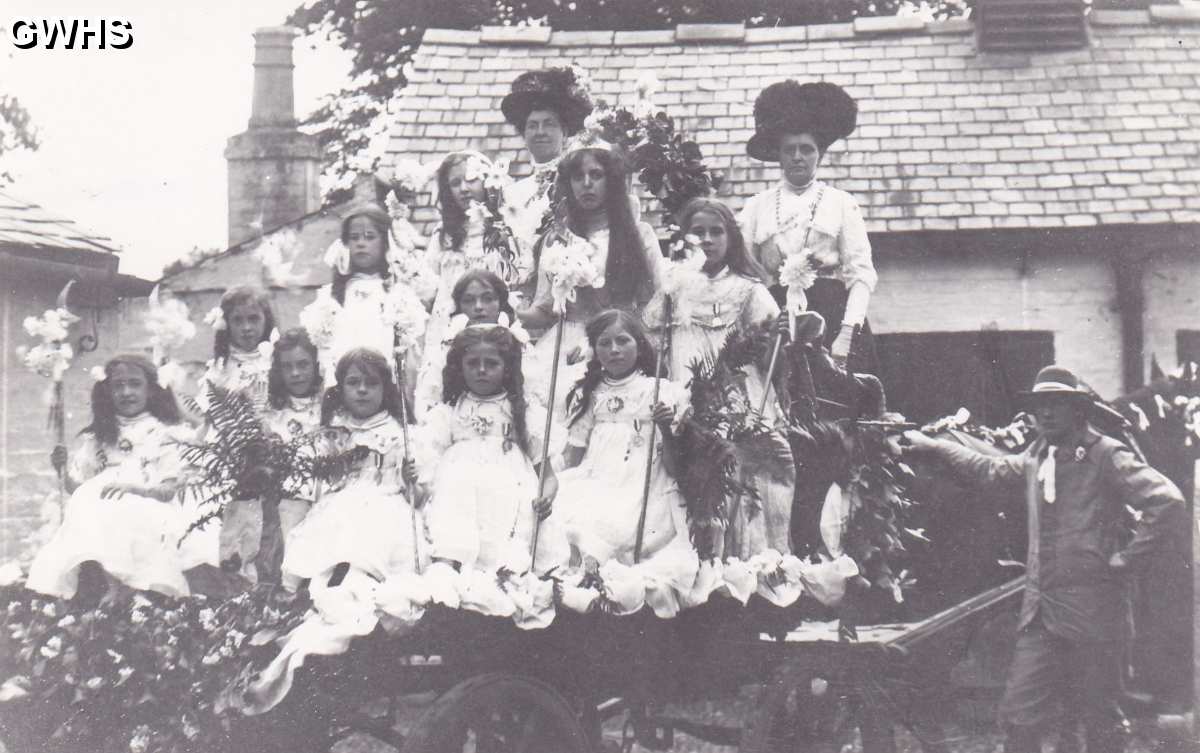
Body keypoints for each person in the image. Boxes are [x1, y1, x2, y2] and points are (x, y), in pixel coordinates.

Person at [902, 365, 1184, 753]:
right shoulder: (1037, 455)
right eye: (1040, 405)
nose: (1046, 413)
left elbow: (1166, 500)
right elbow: (991, 468)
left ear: (1077, 410)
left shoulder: (1104, 455)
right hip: (1041, 617)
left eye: (1057, 404)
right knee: (1019, 719)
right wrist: (936, 446)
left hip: (1095, 615)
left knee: (1098, 720)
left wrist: (1128, 558)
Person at [647, 197, 794, 558]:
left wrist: (778, 335)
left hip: (737, 392)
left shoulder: (748, 290)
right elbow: (653, 342)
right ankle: (697, 559)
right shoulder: (672, 287)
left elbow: (770, 351)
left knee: (744, 470)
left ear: (732, 239)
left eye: (717, 232)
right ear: (684, 239)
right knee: (691, 466)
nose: (708, 240)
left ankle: (752, 561)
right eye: (698, 232)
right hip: (687, 387)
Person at [27, 354, 219, 600]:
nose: (126, 391)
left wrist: (134, 490)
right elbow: (79, 489)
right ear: (108, 391)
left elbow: (168, 490)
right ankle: (111, 589)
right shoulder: (99, 436)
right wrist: (62, 470)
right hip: (103, 510)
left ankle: (131, 591)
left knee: (127, 510)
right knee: (90, 506)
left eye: (135, 384)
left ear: (151, 389)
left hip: (151, 507)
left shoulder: (166, 433)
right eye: (118, 385)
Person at [554, 310, 698, 618]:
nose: (614, 350)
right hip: (598, 478)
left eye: (623, 341)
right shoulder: (588, 394)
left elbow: (675, 463)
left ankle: (617, 596)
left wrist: (664, 426)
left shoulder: (659, 390)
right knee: (572, 515)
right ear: (594, 348)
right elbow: (574, 452)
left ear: (640, 345)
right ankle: (587, 591)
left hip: (642, 482)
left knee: (619, 528)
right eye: (604, 343)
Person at [517, 138, 665, 435]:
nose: (586, 184)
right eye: (578, 177)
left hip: (619, 342)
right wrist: (509, 310)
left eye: (596, 175)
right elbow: (546, 309)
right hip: (565, 343)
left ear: (611, 181)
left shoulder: (639, 236)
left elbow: (656, 301)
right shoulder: (557, 239)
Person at [409, 325, 568, 581]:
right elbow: (429, 462)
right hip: (459, 494)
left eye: (491, 363)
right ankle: (453, 569)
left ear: (507, 367)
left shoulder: (523, 414)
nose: (481, 370)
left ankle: (505, 574)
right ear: (460, 367)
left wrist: (546, 497)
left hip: (508, 492)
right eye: (472, 363)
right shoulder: (450, 412)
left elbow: (547, 476)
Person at [738, 80, 877, 372]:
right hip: (775, 318)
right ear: (779, 154)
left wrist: (848, 332)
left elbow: (861, 274)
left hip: (833, 315)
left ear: (820, 154)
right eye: (790, 149)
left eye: (806, 149)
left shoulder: (841, 203)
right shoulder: (756, 207)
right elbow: (744, 275)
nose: (798, 156)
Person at [282, 348, 426, 591]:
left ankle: (354, 580)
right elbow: (321, 477)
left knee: (368, 538)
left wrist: (408, 481)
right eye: (353, 383)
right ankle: (326, 582)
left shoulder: (399, 433)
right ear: (341, 389)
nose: (362, 390)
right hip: (340, 503)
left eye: (372, 383)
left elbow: (418, 498)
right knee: (333, 531)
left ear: (385, 389)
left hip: (385, 504)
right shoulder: (335, 432)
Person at [220, 328, 325, 588]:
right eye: (287, 367)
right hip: (279, 487)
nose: (296, 374)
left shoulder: (326, 404)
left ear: (316, 364)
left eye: (303, 365)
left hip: (320, 481)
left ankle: (298, 580)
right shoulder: (272, 408)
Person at [299, 202, 427, 396]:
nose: (361, 243)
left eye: (369, 237)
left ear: (384, 242)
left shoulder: (398, 295)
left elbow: (409, 360)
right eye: (354, 237)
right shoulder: (331, 297)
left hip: (383, 390)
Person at [420, 151, 522, 371]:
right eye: (455, 183)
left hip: (491, 322)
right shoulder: (443, 234)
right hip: (448, 322)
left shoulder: (504, 229)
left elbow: (519, 276)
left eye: (471, 179)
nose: (464, 189)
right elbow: (427, 286)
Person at [498, 66, 594, 291]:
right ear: (524, 134)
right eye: (532, 125)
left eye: (549, 124)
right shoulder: (510, 194)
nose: (540, 132)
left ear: (564, 131)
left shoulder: (579, 186)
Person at [413, 269, 533, 418]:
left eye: (488, 299)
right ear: (458, 306)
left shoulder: (518, 344)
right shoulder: (446, 349)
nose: (478, 307)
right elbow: (428, 399)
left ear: (501, 303)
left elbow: (532, 396)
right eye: (469, 300)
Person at [194, 286, 277, 417]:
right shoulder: (220, 368)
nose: (246, 327)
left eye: (253, 319)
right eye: (237, 320)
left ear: (266, 320)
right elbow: (210, 418)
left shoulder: (278, 361)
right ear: (226, 324)